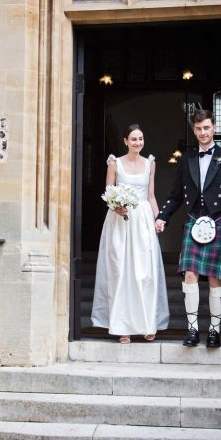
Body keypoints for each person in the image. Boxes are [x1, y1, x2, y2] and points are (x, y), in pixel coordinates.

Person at [155, 109, 221, 348]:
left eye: (206, 127)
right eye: (198, 129)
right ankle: (193, 330)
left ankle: (214, 331)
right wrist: (163, 216)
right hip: (195, 222)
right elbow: (176, 195)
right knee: (190, 275)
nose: (203, 132)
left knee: (215, 278)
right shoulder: (187, 159)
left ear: (213, 128)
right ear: (194, 131)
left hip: (220, 222)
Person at [91, 124, 169, 343]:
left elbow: (151, 195)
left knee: (145, 274)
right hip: (120, 221)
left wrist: (158, 218)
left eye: (141, 139)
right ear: (125, 141)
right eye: (133, 139)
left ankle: (147, 324)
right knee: (121, 272)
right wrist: (115, 206)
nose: (138, 143)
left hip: (143, 221)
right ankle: (122, 326)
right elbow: (108, 191)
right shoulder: (114, 163)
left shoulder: (149, 163)